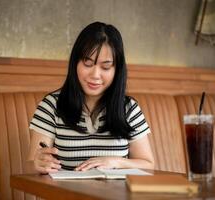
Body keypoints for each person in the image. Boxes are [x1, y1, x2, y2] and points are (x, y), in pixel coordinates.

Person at [28, 21, 154, 174]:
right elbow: (31, 166)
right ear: (75, 63)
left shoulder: (128, 108)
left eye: (106, 67)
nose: (95, 75)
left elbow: (148, 164)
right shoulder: (52, 106)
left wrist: (114, 161)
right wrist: (39, 163)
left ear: (117, 70)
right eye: (87, 63)